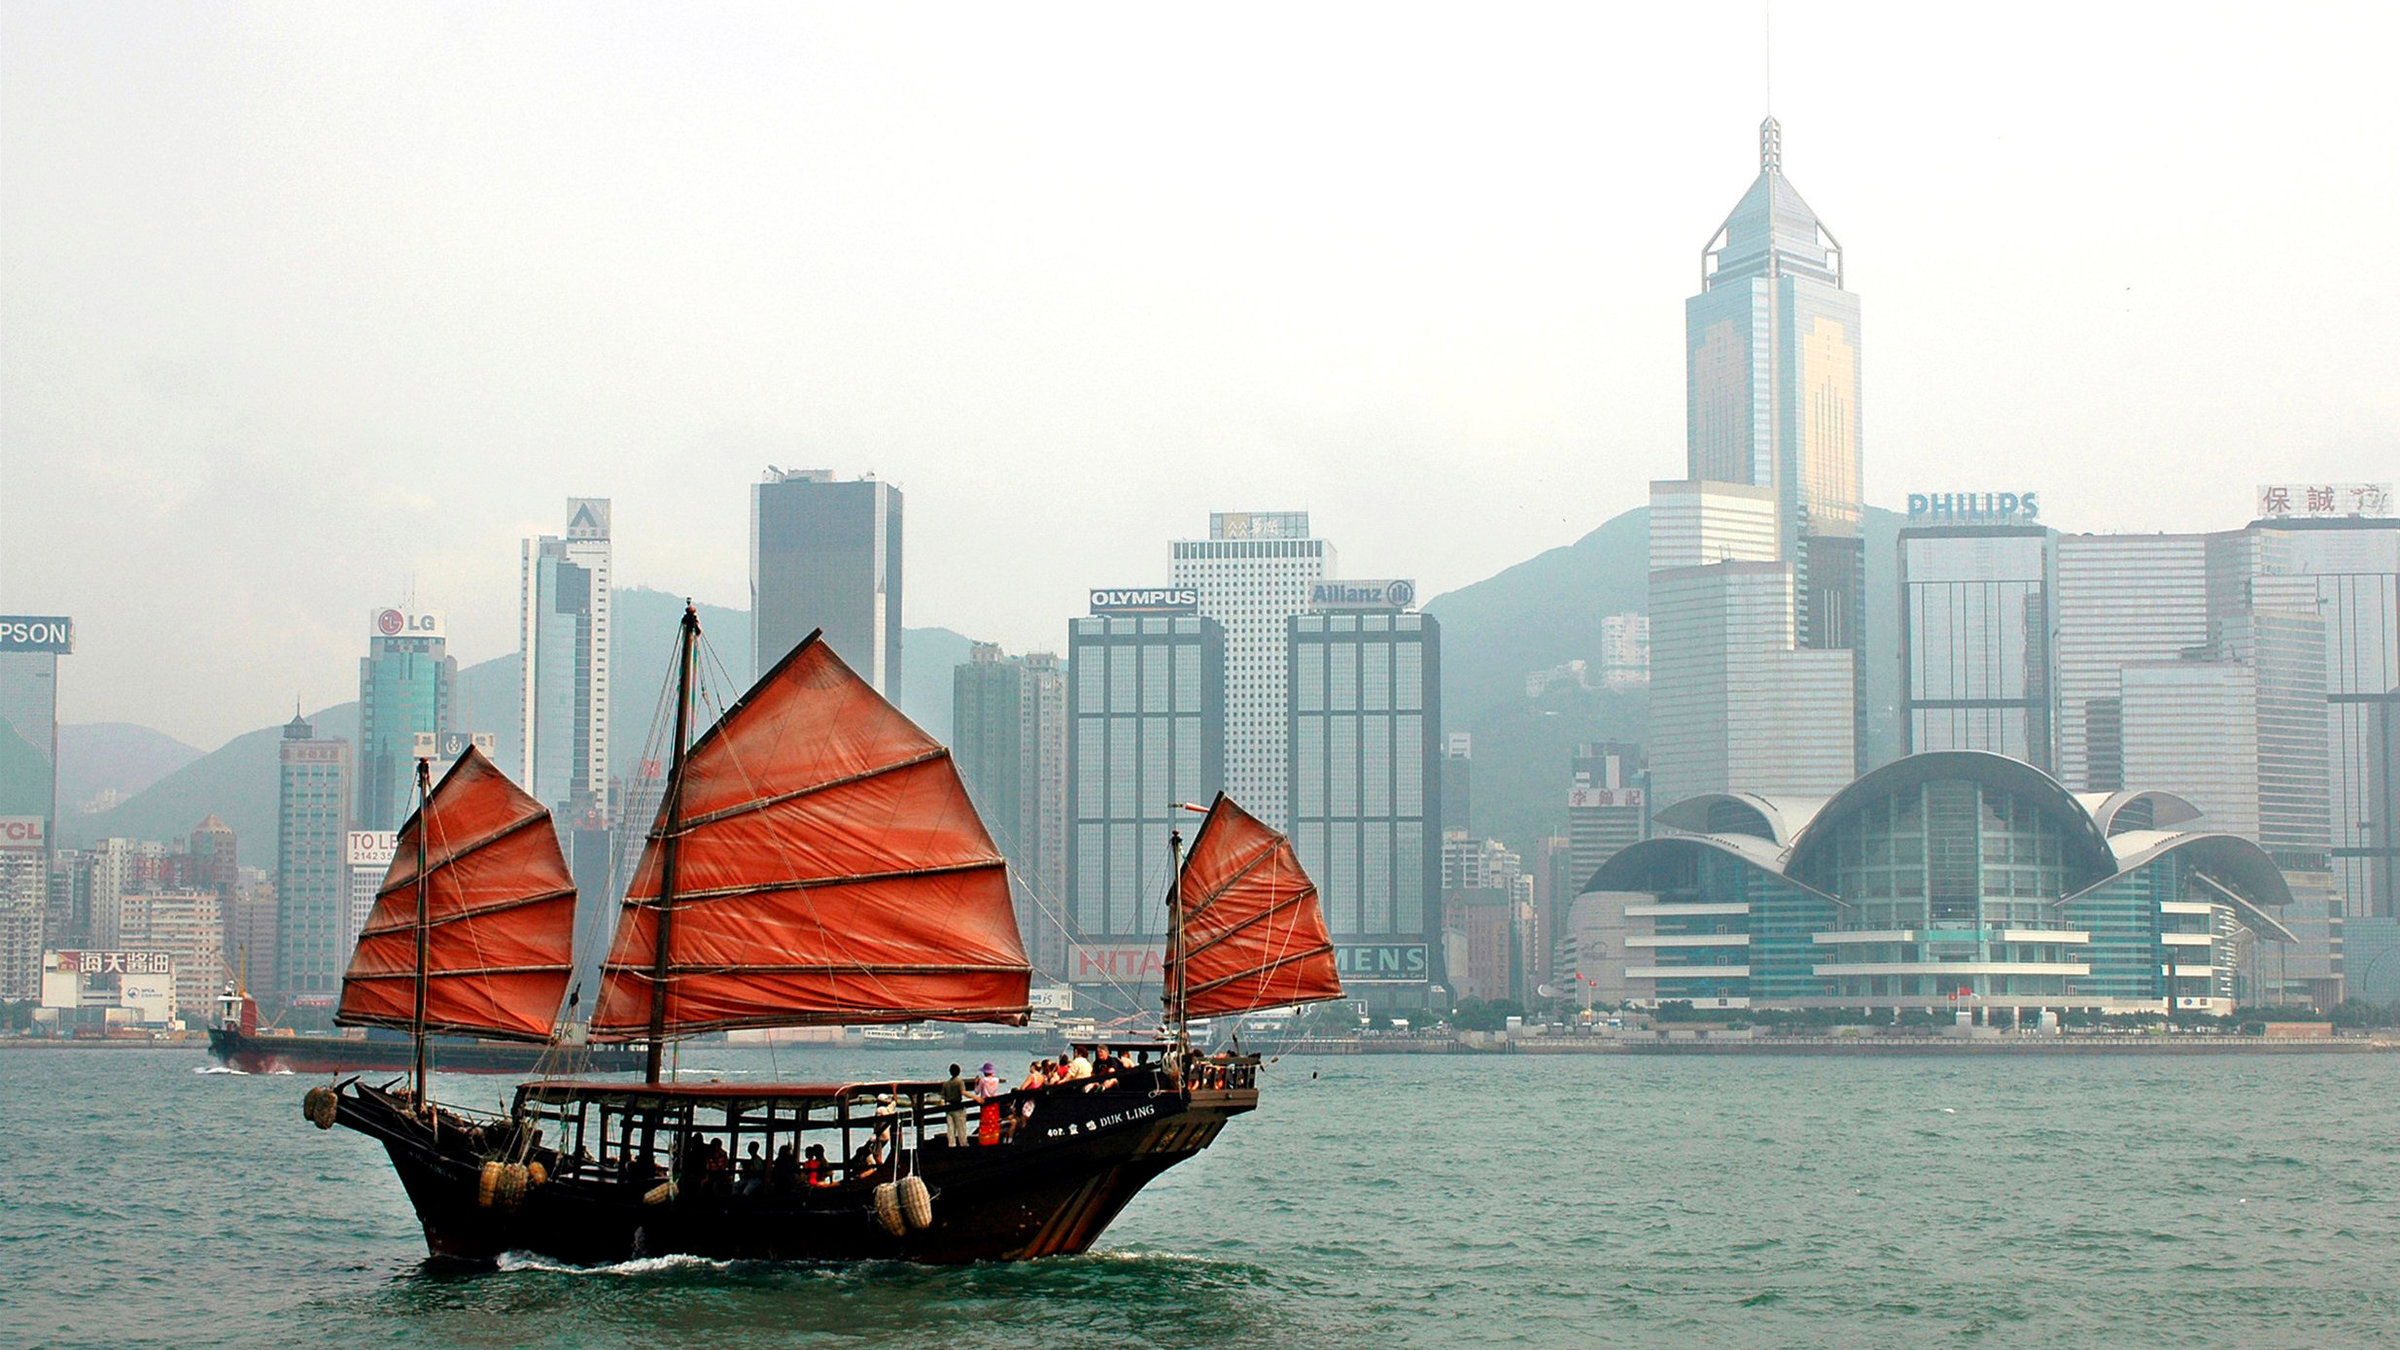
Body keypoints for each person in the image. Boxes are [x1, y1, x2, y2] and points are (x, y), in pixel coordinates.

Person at [975, 1061, 1005, 1146]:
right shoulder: (996, 1080)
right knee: (994, 1122)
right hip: (994, 1103)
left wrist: (976, 1082)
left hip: (985, 1103)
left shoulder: (983, 1080)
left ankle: (984, 1141)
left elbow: (976, 1092)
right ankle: (994, 1139)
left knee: (985, 1123)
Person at [941, 1063, 970, 1148]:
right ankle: (963, 1144)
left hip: (949, 1108)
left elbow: (943, 1097)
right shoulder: (960, 1082)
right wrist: (975, 1097)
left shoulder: (946, 1084)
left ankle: (951, 1145)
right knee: (961, 1128)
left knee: (950, 1129)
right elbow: (963, 1092)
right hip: (958, 1107)